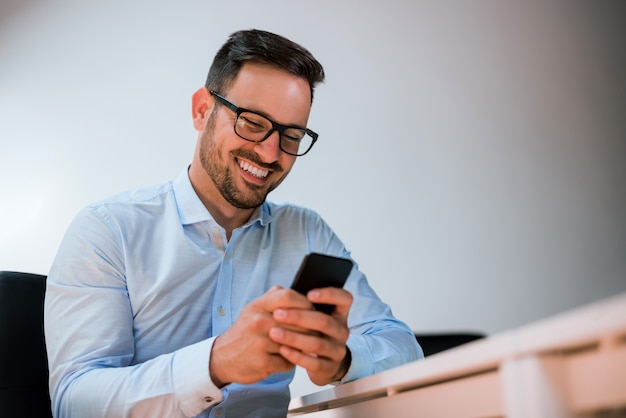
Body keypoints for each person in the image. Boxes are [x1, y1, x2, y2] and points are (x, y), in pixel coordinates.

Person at [44, 29, 422, 418]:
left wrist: (342, 360)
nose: (270, 152)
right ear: (202, 110)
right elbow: (75, 401)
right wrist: (216, 363)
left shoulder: (308, 233)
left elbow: (403, 348)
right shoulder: (106, 231)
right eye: (253, 123)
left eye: (291, 135)